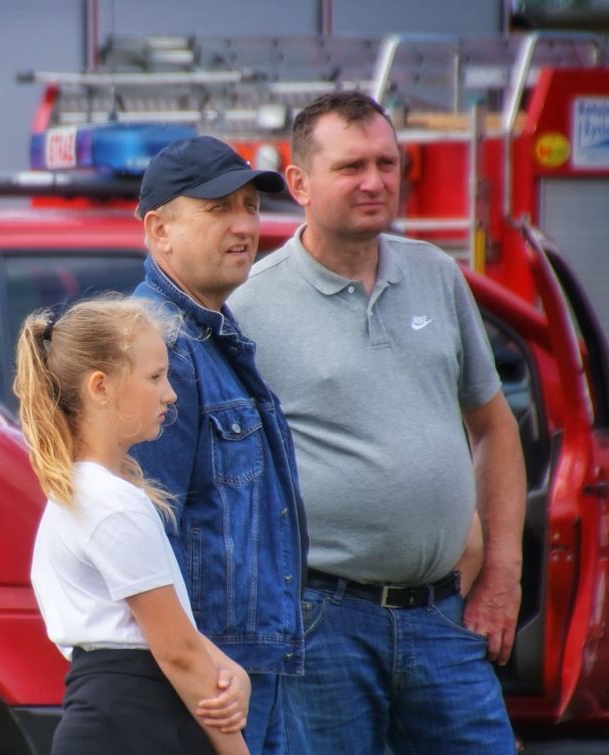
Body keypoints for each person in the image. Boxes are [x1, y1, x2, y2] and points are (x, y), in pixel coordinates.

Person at [229, 90, 526, 753]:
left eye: (388, 163)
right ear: (299, 183)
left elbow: (494, 425)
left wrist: (502, 571)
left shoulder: (436, 275)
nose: (375, 182)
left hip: (444, 614)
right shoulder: (251, 306)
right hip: (320, 620)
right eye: (352, 166)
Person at [126, 136, 309, 754]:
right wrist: (206, 680)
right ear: (159, 231)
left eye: (250, 207)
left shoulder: (212, 332)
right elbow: (149, 540)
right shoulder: (161, 348)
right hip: (212, 684)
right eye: (217, 209)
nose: (244, 226)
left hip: (244, 670)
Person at [16, 297, 250, 755]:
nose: (171, 393)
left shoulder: (88, 493)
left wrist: (228, 670)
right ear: (100, 387)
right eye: (154, 377)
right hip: (133, 721)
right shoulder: (110, 503)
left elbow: (162, 629)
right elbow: (176, 650)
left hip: (121, 716)